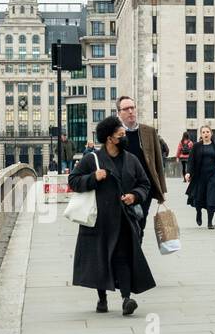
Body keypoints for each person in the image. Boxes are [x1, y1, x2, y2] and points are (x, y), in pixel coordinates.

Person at [68, 115, 156, 315]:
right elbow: (73, 180)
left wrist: (134, 196)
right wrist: (93, 177)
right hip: (99, 221)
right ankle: (102, 299)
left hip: (124, 219)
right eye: (121, 135)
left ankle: (126, 299)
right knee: (101, 258)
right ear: (109, 138)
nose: (124, 138)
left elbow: (145, 184)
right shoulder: (92, 159)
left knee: (123, 257)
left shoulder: (131, 160)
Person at [114, 96, 167, 237]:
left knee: (140, 223)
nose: (130, 111)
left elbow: (157, 161)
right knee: (124, 226)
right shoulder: (114, 134)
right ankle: (130, 255)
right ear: (119, 113)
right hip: (123, 188)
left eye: (132, 107)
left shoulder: (148, 131)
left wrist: (161, 189)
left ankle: (136, 255)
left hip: (144, 187)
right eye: (126, 109)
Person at [185, 124, 215, 229]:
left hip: (213, 176)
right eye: (203, 132)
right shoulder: (196, 146)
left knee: (212, 198)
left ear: (211, 133)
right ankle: (198, 212)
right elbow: (191, 161)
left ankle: (210, 222)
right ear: (201, 134)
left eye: (207, 132)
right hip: (200, 176)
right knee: (199, 198)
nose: (206, 134)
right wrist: (188, 173)